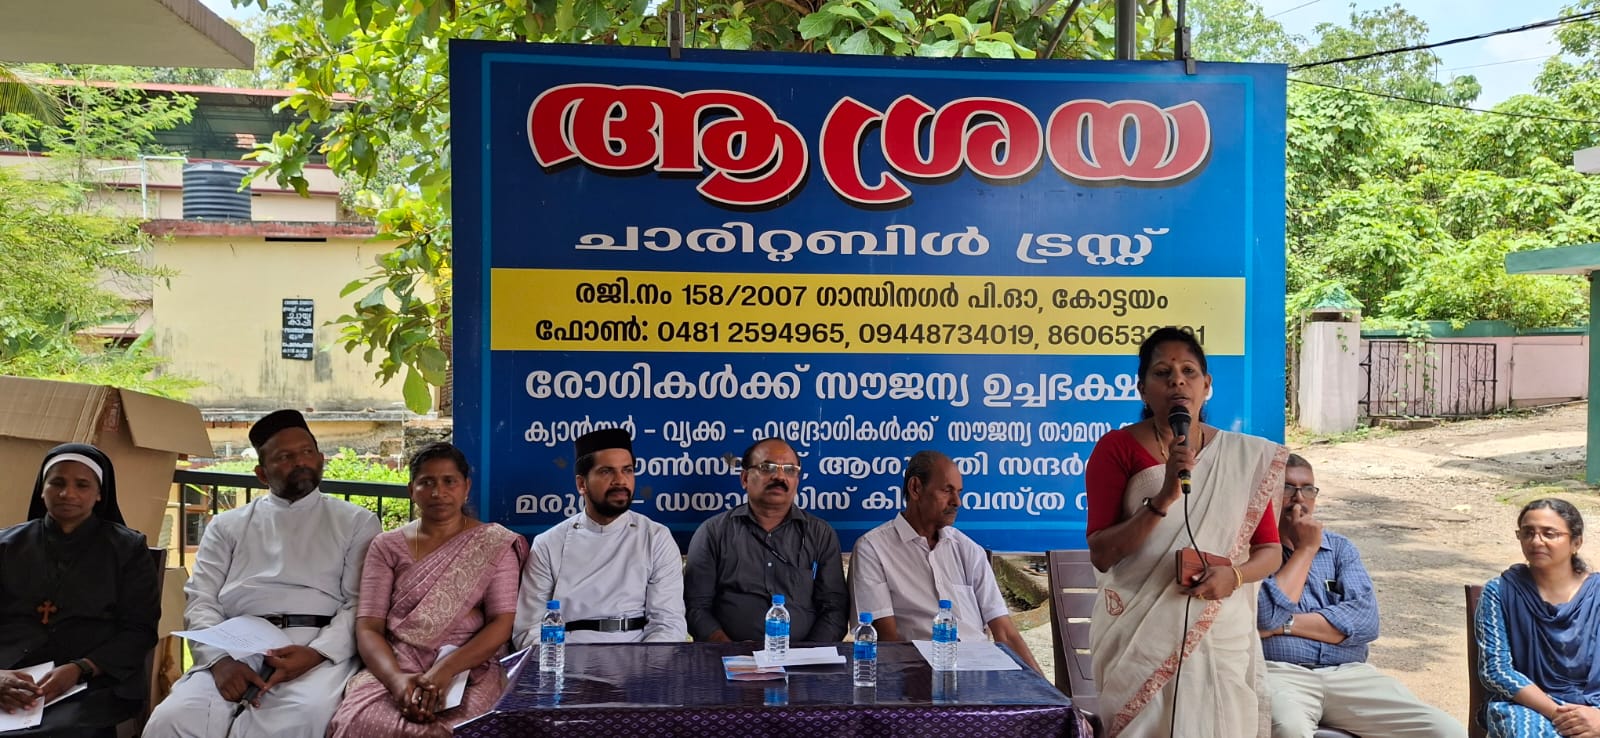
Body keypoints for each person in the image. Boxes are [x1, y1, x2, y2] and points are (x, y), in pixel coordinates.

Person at [1084, 326, 1286, 738]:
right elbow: (1102, 553)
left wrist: (1235, 576)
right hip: (1139, 637)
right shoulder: (1116, 449)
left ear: (1206, 385)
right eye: (1162, 373)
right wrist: (1163, 497)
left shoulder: (1240, 456)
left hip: (1218, 632)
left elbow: (1270, 549)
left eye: (1188, 371)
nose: (1177, 381)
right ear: (1142, 389)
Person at [144, 410, 381, 738]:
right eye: (285, 457)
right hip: (235, 647)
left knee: (298, 719)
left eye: (307, 452)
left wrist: (316, 653)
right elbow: (201, 599)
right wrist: (220, 661)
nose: (300, 462)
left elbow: (359, 603)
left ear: (321, 459)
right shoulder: (227, 526)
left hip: (312, 647)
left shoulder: (356, 522)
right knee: (172, 719)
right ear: (261, 474)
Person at [1256, 454, 1464, 738]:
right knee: (1288, 728)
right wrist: (1306, 550)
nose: (1299, 499)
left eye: (1308, 489)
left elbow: (1366, 621)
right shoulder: (1254, 551)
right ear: (1268, 493)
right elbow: (1265, 615)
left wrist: (1284, 625)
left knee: (1446, 731)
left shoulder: (1340, 548)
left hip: (1350, 674)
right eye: (1288, 488)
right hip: (1280, 673)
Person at [327, 442, 526, 737]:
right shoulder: (387, 546)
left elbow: (501, 623)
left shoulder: (493, 543)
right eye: (427, 482)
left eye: (449, 481)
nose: (438, 492)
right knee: (359, 721)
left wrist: (445, 670)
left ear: (466, 487)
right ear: (412, 490)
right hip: (398, 663)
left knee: (460, 729)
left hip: (469, 666)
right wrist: (396, 682)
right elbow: (369, 627)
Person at [0, 444, 159, 738]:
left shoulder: (127, 550)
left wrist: (81, 668)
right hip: (9, 675)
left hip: (91, 681)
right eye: (57, 483)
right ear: (42, 490)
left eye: (82, 485)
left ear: (99, 494)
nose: (67, 493)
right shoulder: (6, 545)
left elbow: (140, 630)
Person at [850, 449, 1044, 673]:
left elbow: (1005, 633)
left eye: (959, 492)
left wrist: (1046, 689)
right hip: (917, 675)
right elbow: (888, 642)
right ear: (916, 488)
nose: (957, 501)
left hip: (981, 674)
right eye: (947, 490)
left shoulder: (968, 550)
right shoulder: (873, 549)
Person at [513, 428, 686, 648]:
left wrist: (644, 666)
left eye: (627, 470)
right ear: (581, 484)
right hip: (567, 657)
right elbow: (529, 629)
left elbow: (668, 624)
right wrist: (561, 665)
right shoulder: (548, 544)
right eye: (606, 471)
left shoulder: (656, 538)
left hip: (638, 658)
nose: (620, 480)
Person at [683, 437, 848, 642]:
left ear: (797, 481)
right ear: (745, 478)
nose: (779, 476)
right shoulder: (713, 532)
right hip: (726, 657)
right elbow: (696, 607)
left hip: (805, 658)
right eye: (767, 468)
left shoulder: (820, 534)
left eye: (790, 470)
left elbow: (834, 609)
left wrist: (809, 654)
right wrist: (728, 650)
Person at [1475, 498, 1600, 738]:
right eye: (1528, 533)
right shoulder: (1500, 591)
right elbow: (1496, 670)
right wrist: (1558, 713)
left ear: (1576, 542)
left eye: (1549, 534)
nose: (1536, 541)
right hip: (1525, 705)